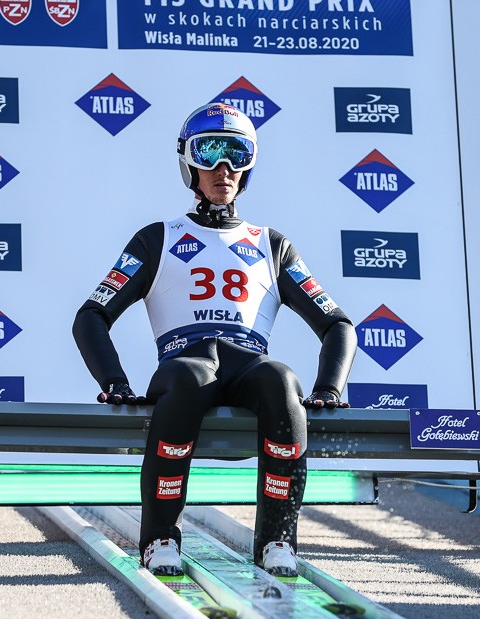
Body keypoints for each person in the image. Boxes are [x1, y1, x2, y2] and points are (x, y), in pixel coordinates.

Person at [72, 103, 358, 575]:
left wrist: (329, 388)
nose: (224, 168)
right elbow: (91, 316)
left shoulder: (271, 244)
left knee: (282, 381)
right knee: (189, 380)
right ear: (189, 164)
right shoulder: (157, 238)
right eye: (209, 153)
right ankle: (160, 538)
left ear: (248, 166)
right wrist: (114, 381)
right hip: (186, 361)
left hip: (249, 365)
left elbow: (337, 324)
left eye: (237, 154)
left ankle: (278, 541)